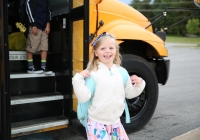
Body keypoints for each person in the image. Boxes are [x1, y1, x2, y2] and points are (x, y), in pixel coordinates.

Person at [72, 32, 146, 140]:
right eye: (103, 48)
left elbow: (129, 94)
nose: (107, 51)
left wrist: (140, 85)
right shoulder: (93, 74)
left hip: (116, 123)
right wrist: (77, 79)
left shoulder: (122, 73)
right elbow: (84, 97)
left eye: (111, 48)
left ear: (116, 51)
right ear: (96, 52)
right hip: (97, 124)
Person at [25, 0, 52, 74]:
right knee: (32, 46)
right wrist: (33, 24)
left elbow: (48, 11)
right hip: (35, 26)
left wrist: (48, 24)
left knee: (44, 47)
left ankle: (43, 67)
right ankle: (30, 67)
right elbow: (28, 8)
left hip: (44, 27)